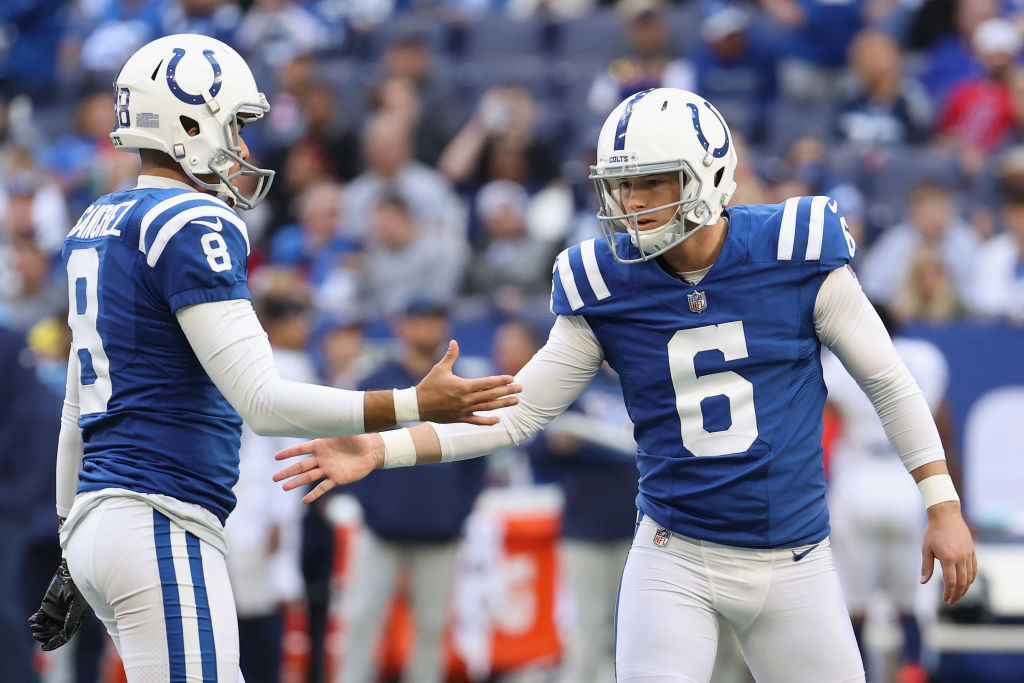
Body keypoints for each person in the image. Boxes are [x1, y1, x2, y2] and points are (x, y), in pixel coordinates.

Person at [274, 88, 977, 683]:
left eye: (650, 180)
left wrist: (941, 504)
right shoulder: (605, 285)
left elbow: (888, 380)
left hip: (794, 556)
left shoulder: (796, 251)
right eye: (622, 182)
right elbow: (517, 417)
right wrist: (383, 448)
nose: (629, 200)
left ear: (706, 174)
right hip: (677, 556)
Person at [26, 33, 520, 681]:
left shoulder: (99, 219)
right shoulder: (191, 220)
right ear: (187, 122)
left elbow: (75, 415)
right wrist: (412, 404)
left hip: (98, 518)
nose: (243, 146)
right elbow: (262, 400)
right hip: (158, 516)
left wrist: (71, 549)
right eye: (232, 124)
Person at [340, 299, 487, 683]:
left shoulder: (460, 385)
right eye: (419, 320)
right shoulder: (376, 380)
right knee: (361, 622)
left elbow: (479, 457)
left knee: (432, 628)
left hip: (440, 531)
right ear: (401, 325)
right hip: (381, 530)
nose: (427, 329)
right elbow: (351, 446)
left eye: (436, 319)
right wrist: (372, 509)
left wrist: (457, 513)